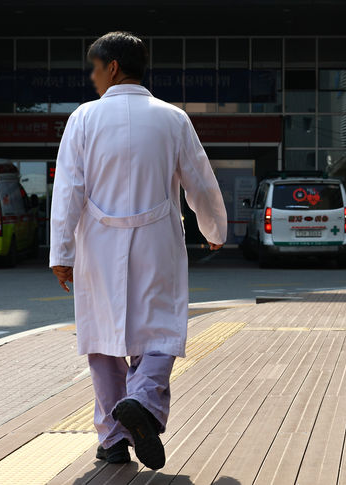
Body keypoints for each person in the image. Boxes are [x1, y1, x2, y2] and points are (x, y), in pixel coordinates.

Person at [48, 32, 227, 469]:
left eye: (94, 67)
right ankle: (144, 400)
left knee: (104, 341)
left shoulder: (84, 119)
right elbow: (199, 180)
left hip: (99, 244)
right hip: (157, 240)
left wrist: (62, 251)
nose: (92, 77)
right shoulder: (173, 118)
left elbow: (69, 189)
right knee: (162, 330)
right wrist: (213, 226)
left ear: (112, 67)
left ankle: (112, 438)